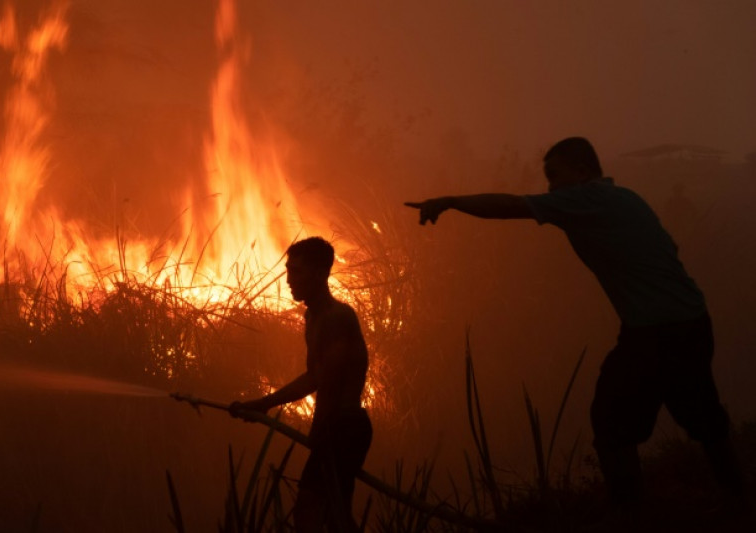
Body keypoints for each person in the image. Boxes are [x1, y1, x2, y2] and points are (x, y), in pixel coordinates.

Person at [405, 137, 745, 515]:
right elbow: (670, 249)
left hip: (654, 331)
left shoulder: (585, 198)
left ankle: (630, 515)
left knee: (612, 422)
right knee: (703, 417)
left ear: (583, 172)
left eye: (555, 176)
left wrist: (450, 201)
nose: (550, 187)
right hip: (692, 321)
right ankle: (738, 496)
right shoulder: (629, 199)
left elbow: (510, 206)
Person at [230, 237, 372, 532]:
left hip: (344, 426)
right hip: (338, 427)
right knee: (334, 516)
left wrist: (320, 430)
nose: (288, 280)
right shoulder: (314, 316)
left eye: (297, 272)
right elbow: (313, 377)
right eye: (288, 270)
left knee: (311, 508)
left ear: (321, 273)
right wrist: (263, 404)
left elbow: (329, 382)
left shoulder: (336, 317)